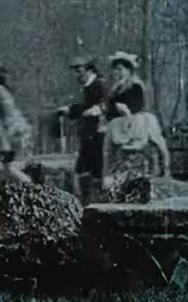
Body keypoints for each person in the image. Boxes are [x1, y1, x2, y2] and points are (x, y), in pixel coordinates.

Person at [103, 51, 169, 183]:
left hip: (135, 122)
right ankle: (111, 177)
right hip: (118, 125)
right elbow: (110, 110)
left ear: (129, 70)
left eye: (120, 69)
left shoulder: (135, 86)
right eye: (116, 70)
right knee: (109, 148)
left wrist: (126, 110)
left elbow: (137, 104)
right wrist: (112, 110)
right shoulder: (115, 89)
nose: (117, 73)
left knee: (153, 144)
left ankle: (161, 170)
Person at [57, 55, 106, 204]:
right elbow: (84, 107)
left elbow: (105, 104)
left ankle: (94, 202)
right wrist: (71, 110)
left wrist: (97, 109)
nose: (77, 75)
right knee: (84, 168)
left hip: (99, 133)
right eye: (75, 71)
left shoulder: (99, 85)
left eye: (79, 71)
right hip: (88, 133)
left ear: (90, 70)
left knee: (93, 168)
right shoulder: (87, 88)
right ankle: (89, 202)